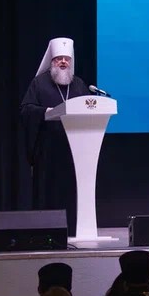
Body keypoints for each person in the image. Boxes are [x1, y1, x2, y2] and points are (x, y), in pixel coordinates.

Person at [19, 37, 91, 232]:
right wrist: (47, 112)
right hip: (47, 150)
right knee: (47, 189)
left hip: (74, 150)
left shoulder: (78, 84)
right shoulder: (39, 83)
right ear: (52, 61)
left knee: (72, 190)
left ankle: (74, 228)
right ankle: (46, 231)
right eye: (59, 58)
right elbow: (26, 110)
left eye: (67, 59)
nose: (63, 62)